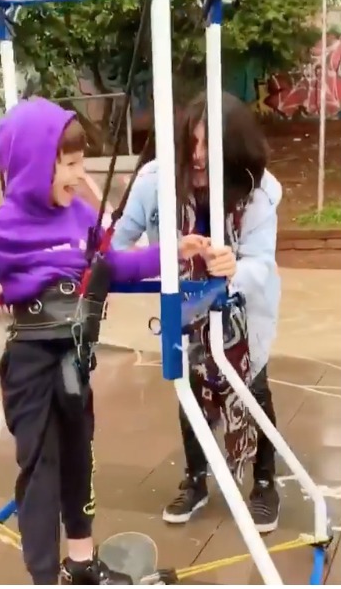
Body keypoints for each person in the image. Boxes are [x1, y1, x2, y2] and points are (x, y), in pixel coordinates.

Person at [0, 97, 220, 585]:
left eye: (79, 163)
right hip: (31, 360)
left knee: (80, 459)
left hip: (75, 358)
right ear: (34, 166)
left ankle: (81, 562)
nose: (79, 174)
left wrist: (171, 254)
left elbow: (111, 265)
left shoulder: (79, 217)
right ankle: (44, 576)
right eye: (69, 164)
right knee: (41, 469)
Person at [112, 92, 282, 532]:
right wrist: (159, 254)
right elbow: (116, 240)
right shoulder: (155, 182)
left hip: (243, 316)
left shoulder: (257, 189)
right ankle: (196, 479)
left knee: (252, 388)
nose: (199, 156)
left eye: (211, 145)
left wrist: (235, 268)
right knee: (189, 391)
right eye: (193, 143)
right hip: (186, 310)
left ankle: (265, 482)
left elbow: (262, 262)